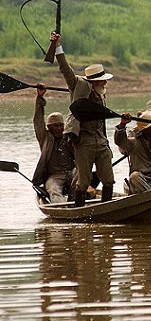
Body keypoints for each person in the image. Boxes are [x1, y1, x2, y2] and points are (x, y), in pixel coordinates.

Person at [52, 32, 115, 207]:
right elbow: (65, 68)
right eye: (102, 81)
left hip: (101, 142)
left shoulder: (102, 95)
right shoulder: (78, 84)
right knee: (83, 181)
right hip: (84, 141)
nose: (105, 84)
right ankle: (79, 209)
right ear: (94, 82)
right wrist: (58, 47)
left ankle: (107, 208)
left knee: (108, 180)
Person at [32, 85, 75, 203]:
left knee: (82, 177)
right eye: (55, 125)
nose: (58, 128)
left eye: (61, 125)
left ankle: (77, 201)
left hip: (72, 172)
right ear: (49, 127)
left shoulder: (68, 137)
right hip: (55, 176)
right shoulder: (44, 137)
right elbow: (38, 121)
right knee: (53, 189)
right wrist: (40, 98)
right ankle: (61, 208)